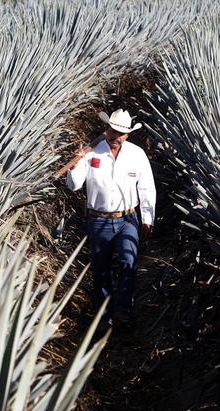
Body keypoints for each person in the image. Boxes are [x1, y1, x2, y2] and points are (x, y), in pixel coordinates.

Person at [65, 108, 156, 327]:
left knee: (128, 262)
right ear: (106, 129)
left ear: (128, 135)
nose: (116, 136)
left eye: (121, 133)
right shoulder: (91, 152)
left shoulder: (137, 154)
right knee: (101, 268)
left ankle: (123, 311)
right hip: (99, 220)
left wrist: (147, 219)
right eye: (112, 130)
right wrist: (75, 165)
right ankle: (104, 316)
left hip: (128, 219)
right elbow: (74, 185)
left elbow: (146, 187)